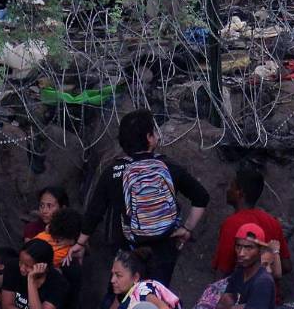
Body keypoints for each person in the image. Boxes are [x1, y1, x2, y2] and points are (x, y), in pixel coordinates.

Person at [76, 109, 210, 285]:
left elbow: (95, 212)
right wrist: (186, 229)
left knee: (122, 302)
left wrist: (80, 243)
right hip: (164, 250)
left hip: (127, 251)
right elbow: (201, 197)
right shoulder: (169, 167)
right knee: (156, 302)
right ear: (149, 137)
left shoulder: (113, 172)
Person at [211, 166, 291, 278]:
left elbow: (223, 270)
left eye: (232, 186)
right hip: (270, 293)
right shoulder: (273, 223)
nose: (228, 190)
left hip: (242, 293)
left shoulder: (232, 224)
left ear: (240, 193)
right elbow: (286, 266)